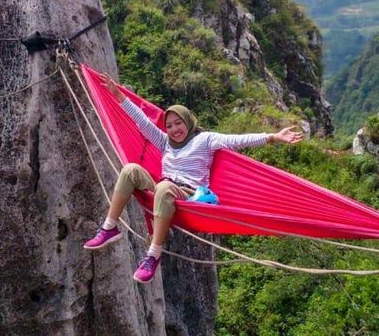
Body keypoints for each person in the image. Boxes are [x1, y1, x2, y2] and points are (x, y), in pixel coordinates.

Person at [84, 73, 303, 283]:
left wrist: (273, 137)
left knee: (164, 188)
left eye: (178, 123)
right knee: (130, 169)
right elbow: (142, 122)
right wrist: (118, 95)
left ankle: (153, 255)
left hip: (187, 193)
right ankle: (109, 227)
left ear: (188, 122)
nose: (174, 129)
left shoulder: (205, 140)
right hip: (163, 187)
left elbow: (237, 140)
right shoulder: (164, 142)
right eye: (169, 125)